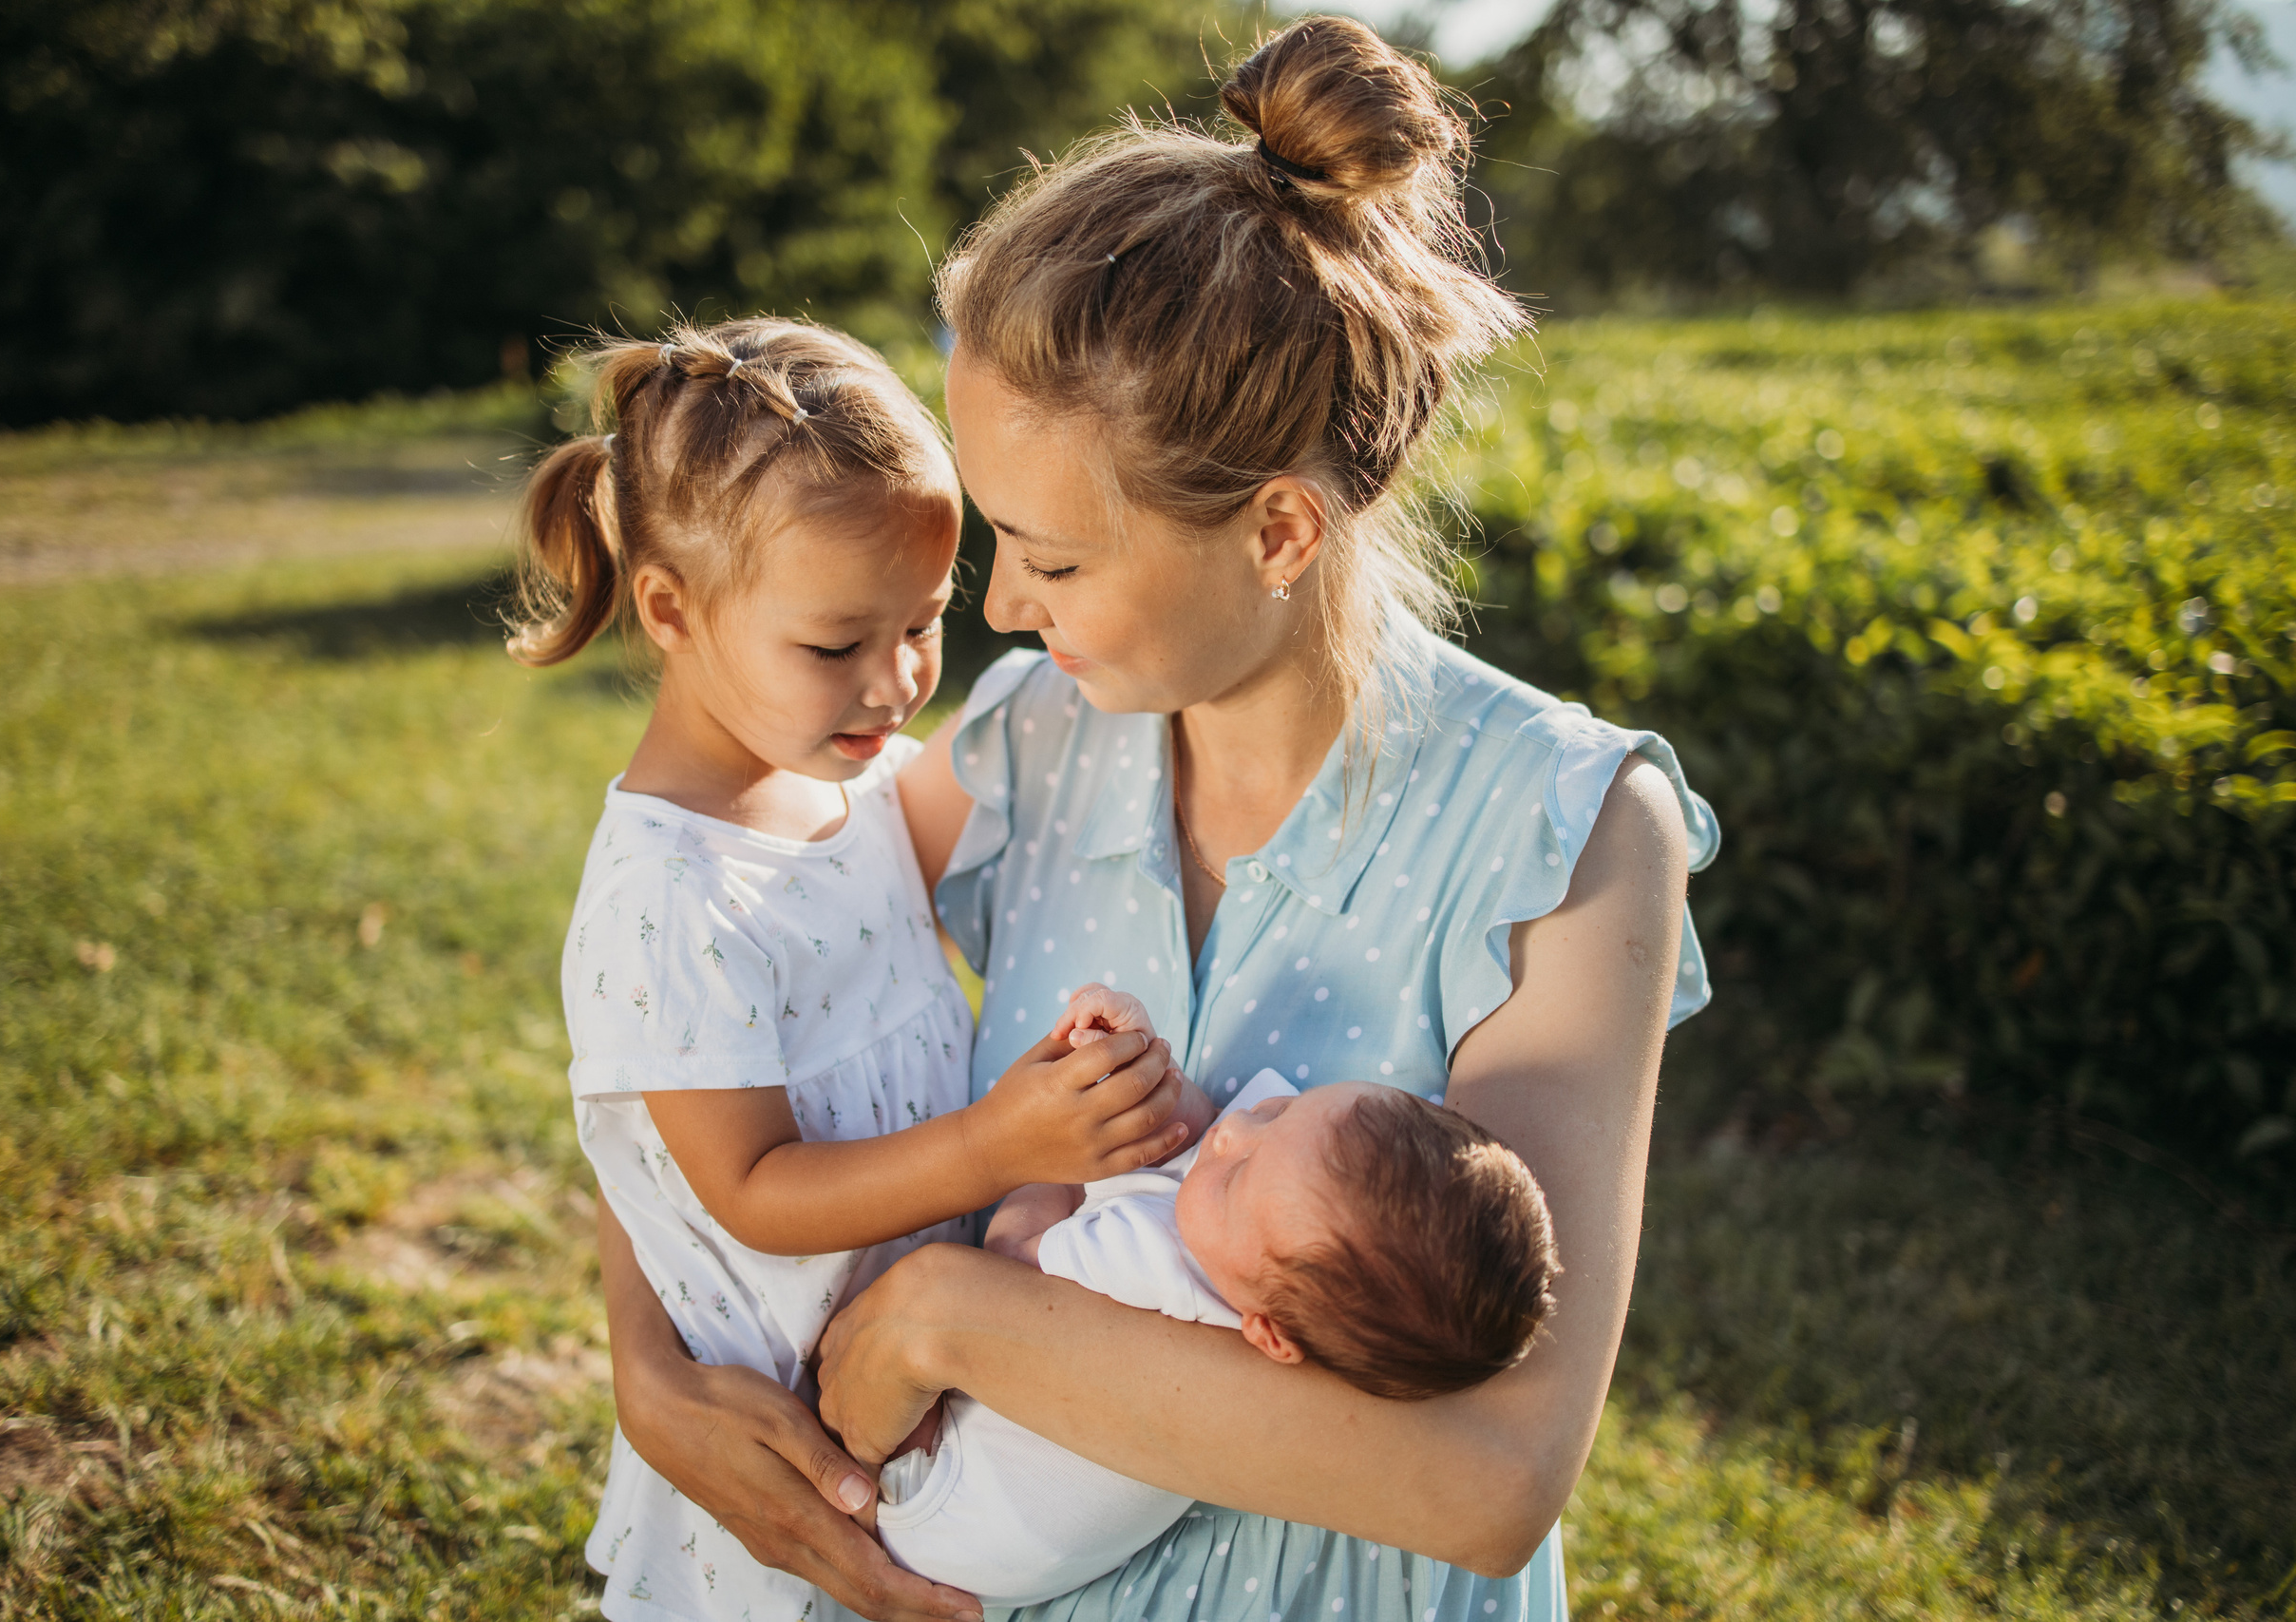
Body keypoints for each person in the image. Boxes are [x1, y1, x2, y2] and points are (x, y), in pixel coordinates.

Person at [597, 16, 1722, 1622]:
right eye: (996, 540)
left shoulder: (1572, 836)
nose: (1000, 606)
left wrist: (948, 1316)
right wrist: (647, 1358)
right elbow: (691, 988)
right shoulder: (1027, 745)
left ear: (1275, 529)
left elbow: (1486, 1478)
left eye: (1053, 561)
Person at [516, 318, 1192, 1622]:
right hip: (783, 1422)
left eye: (927, 622)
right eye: (836, 645)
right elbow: (753, 1191)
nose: (896, 683)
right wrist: (998, 1141)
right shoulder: (670, 895)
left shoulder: (853, 781)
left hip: (902, 1376)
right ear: (670, 609)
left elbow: (996, 789)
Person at [876, 987, 1559, 1608]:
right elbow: (1192, 1136)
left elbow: (1010, 1265)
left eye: (1236, 1174)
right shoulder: (1273, 1240)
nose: (1235, 1131)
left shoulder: (1158, 1266)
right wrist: (1141, 1061)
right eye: (1277, 1109)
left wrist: (1042, 1166)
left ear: (1266, 1334)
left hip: (952, 1512)